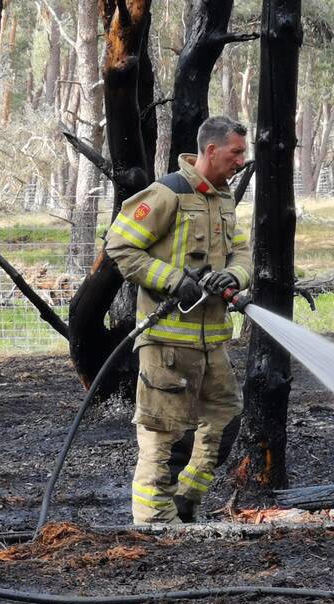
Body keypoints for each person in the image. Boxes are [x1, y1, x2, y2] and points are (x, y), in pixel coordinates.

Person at [104, 116, 252, 523]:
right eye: (236, 152)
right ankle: (153, 524)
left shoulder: (223, 198)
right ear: (211, 150)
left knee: (225, 418)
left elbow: (242, 252)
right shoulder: (167, 193)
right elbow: (120, 246)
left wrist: (234, 276)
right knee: (164, 435)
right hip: (166, 343)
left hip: (212, 343)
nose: (242, 161)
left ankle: (185, 502)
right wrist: (172, 281)